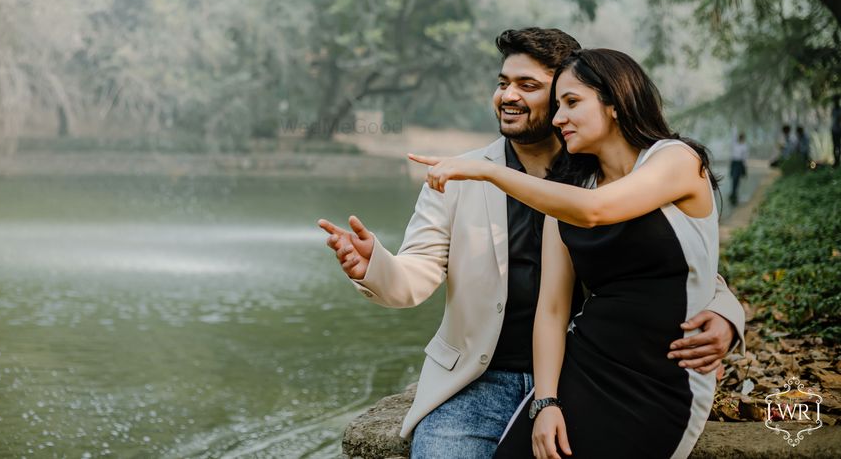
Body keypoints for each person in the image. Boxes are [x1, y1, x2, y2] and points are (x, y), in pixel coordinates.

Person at [317, 29, 745, 458]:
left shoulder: (601, 176)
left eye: (529, 86)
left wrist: (728, 313)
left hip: (585, 371)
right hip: (479, 381)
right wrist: (376, 265)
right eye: (503, 83)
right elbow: (418, 272)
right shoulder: (462, 173)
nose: (508, 96)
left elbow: (674, 262)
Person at [729, 132, 748, 205]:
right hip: (734, 162)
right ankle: (733, 192)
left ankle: (734, 192)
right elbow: (733, 135)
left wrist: (744, 167)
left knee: (736, 178)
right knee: (734, 178)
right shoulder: (735, 144)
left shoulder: (744, 146)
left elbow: (744, 157)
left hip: (739, 163)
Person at [832, 97, 841, 168]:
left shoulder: (839, 109)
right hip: (835, 130)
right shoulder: (833, 110)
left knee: (839, 146)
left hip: (839, 130)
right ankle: (836, 161)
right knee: (835, 147)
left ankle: (838, 160)